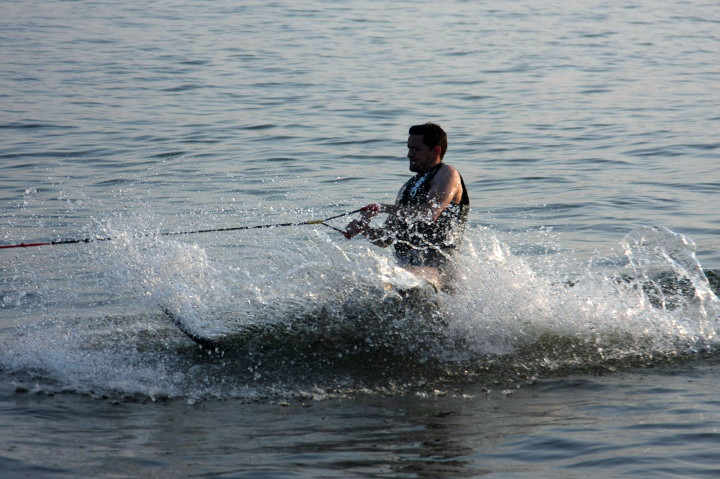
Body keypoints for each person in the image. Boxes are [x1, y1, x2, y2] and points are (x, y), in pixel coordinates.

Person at [345, 122, 469, 290]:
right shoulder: (408, 187)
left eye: (416, 149)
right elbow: (386, 238)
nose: (409, 154)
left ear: (436, 151)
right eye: (409, 148)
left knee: (395, 278)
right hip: (409, 268)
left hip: (440, 268)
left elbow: (428, 214)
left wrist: (382, 208)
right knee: (367, 282)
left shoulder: (447, 174)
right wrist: (364, 228)